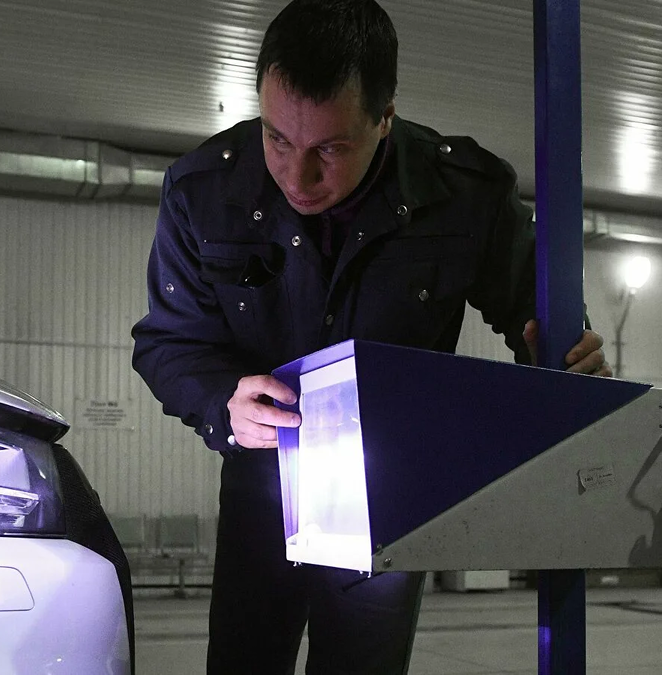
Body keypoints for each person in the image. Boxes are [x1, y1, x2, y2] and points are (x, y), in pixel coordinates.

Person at [130, 1, 611, 673]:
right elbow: (166, 343)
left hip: (393, 492)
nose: (296, 177)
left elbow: (544, 317)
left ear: (385, 118)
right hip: (262, 488)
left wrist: (565, 351)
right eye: (277, 139)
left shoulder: (462, 192)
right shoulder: (202, 191)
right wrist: (221, 402)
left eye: (330, 149)